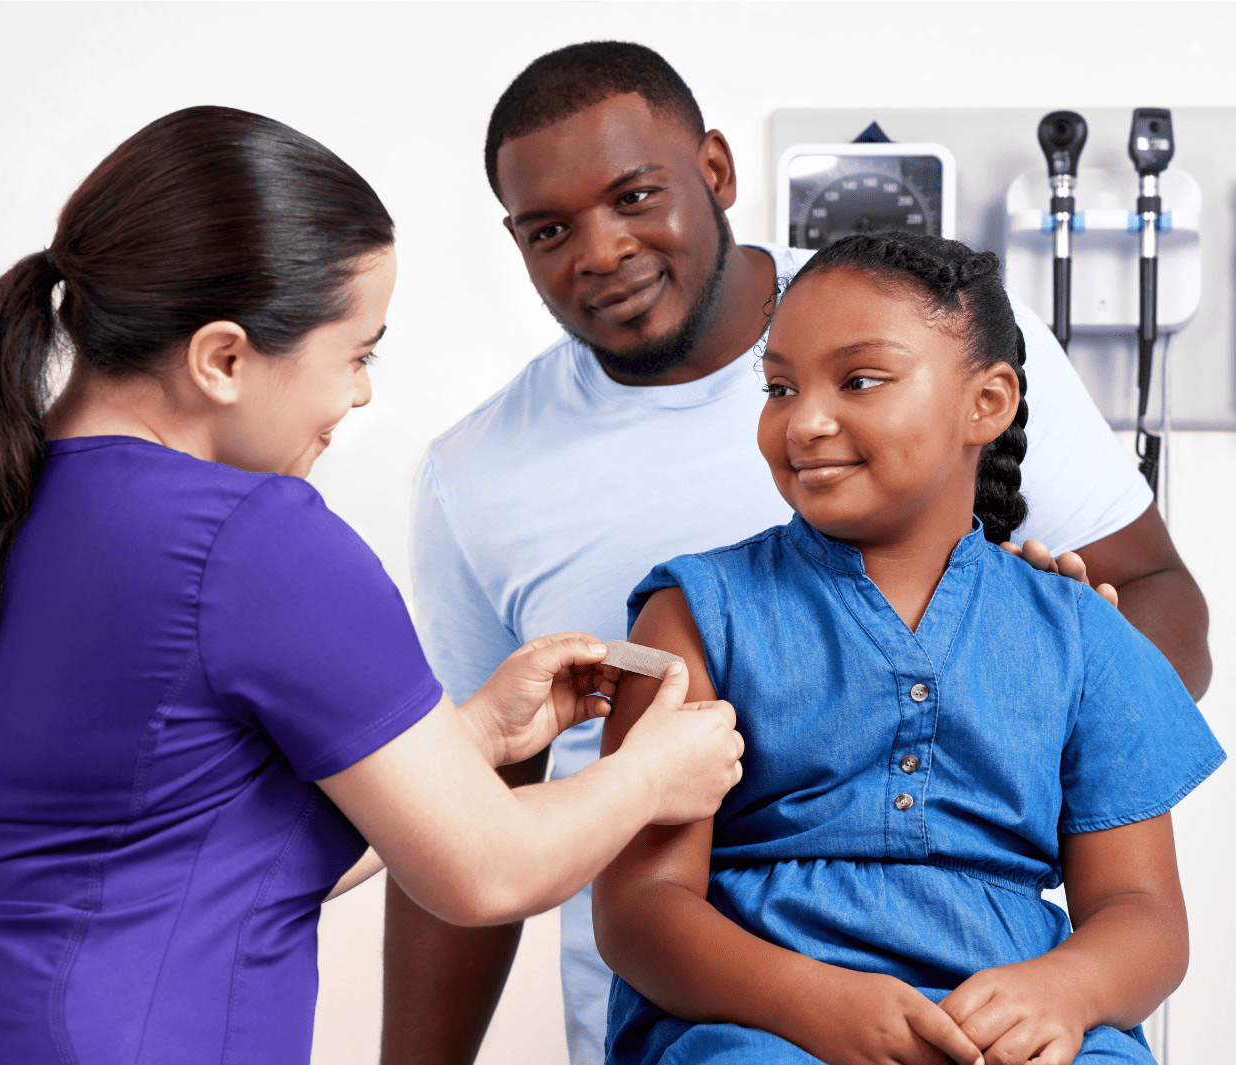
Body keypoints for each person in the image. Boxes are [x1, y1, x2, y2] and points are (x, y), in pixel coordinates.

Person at [0, 105, 747, 1065]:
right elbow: (485, 871)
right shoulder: (253, 534)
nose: (358, 394)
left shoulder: (6, 507)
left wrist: (468, 737)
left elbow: (192, 853)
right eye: (356, 354)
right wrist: (649, 774)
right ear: (223, 358)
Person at [385, 42, 1213, 1065]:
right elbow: (467, 808)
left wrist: (1053, 693)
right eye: (549, 228)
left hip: (1008, 1007)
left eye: (635, 195)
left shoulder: (943, 344)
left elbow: (1140, 894)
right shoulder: (612, 559)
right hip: (726, 1011)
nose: (599, 251)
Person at [593, 231, 1224, 1064]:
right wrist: (811, 1003)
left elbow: (1143, 912)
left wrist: (1065, 989)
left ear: (986, 404)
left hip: (1007, 1020)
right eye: (779, 386)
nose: (806, 419)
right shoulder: (692, 616)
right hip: (758, 1019)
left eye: (858, 380)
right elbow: (640, 907)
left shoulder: (1081, 632)